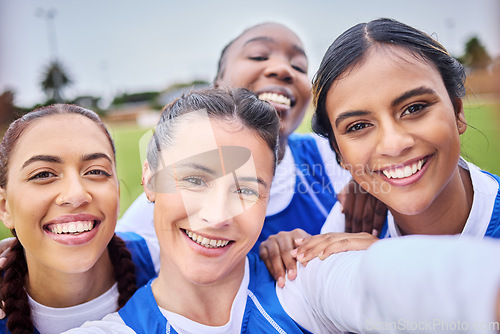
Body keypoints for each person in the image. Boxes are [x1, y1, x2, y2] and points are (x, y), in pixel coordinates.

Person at [64, 88, 500, 334]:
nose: (216, 215)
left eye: (247, 189)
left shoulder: (304, 283)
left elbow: (420, 288)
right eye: (194, 180)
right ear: (149, 179)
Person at [117, 23, 386, 267]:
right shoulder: (166, 200)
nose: (282, 69)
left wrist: (373, 184)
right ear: (218, 84)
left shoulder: (331, 158)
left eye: (300, 66)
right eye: (258, 56)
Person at [261, 17, 500, 278]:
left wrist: (394, 262)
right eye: (358, 126)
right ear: (339, 154)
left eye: (414, 108)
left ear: (457, 111)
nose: (394, 145)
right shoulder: (345, 229)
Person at [0, 104, 157, 334]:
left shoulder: (163, 262)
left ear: (118, 194)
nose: (76, 195)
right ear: (5, 207)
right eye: (43, 174)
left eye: (95, 171)